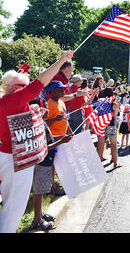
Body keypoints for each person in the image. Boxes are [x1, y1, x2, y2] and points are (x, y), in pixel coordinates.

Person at [0, 50, 73, 233]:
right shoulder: (13, 100)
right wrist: (61, 61)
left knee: (10, 205)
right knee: (14, 208)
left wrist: (34, 111)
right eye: (23, 86)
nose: (28, 90)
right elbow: (38, 84)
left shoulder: (7, 102)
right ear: (14, 88)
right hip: (16, 160)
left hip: (10, 157)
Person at [29, 98, 73, 231]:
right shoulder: (36, 124)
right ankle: (37, 220)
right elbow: (43, 147)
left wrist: (62, 138)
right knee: (38, 191)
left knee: (41, 191)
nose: (49, 110)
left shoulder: (41, 122)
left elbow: (49, 138)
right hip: (42, 161)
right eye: (46, 107)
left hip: (47, 161)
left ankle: (40, 214)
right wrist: (61, 141)